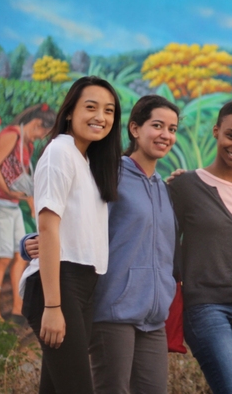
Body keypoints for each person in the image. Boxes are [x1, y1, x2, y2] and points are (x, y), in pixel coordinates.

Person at [23, 95, 181, 394]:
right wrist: (31, 242)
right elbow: (72, 217)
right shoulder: (109, 173)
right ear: (135, 129)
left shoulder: (163, 188)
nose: (165, 135)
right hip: (114, 310)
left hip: (153, 318)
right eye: (157, 125)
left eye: (172, 129)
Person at [20, 76, 122, 394]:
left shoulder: (88, 161)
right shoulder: (59, 152)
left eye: (109, 111)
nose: (100, 117)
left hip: (83, 285)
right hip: (59, 285)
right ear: (69, 112)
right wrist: (53, 307)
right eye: (90, 107)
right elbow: (48, 226)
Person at [168, 101, 232, 394]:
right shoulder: (185, 185)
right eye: (231, 135)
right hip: (205, 307)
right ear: (216, 131)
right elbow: (160, 235)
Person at [0, 103, 55, 321]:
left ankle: (17, 307)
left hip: (12, 205)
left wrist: (31, 202)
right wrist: (8, 193)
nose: (41, 136)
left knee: (20, 255)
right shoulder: (11, 135)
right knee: (2, 259)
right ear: (37, 124)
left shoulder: (27, 145)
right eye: (43, 131)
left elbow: (20, 177)